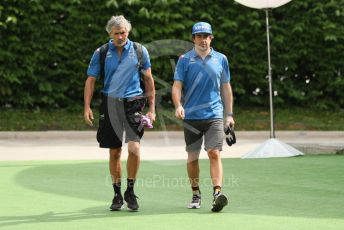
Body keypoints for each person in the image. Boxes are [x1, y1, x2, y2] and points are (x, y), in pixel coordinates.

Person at [84, 15, 155, 211]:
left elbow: (148, 80)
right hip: (110, 103)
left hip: (133, 103)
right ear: (110, 34)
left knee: (134, 148)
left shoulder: (140, 51)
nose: (121, 36)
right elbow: (91, 80)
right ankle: (116, 194)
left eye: (123, 32)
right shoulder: (101, 52)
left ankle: (130, 192)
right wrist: (87, 107)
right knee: (115, 151)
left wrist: (152, 108)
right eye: (117, 33)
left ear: (128, 32)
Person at [172, 22, 235, 212]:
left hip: (214, 115)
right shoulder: (185, 60)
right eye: (199, 36)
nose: (203, 39)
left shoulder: (221, 59)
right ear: (193, 39)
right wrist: (178, 105)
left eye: (206, 36)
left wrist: (229, 114)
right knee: (192, 157)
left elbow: (226, 87)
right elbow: (176, 86)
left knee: (214, 153)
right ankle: (195, 193)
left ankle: (217, 194)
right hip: (191, 115)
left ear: (211, 38)